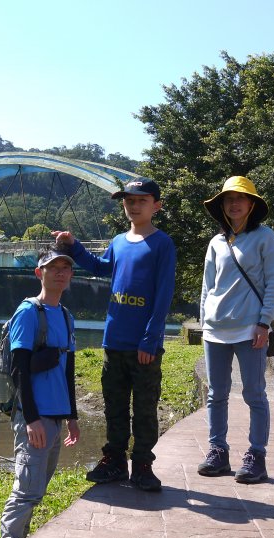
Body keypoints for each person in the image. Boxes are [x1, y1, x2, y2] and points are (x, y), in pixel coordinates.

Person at [53, 176, 176, 492]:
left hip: (143, 345)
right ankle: (115, 462)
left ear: (156, 206)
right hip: (114, 340)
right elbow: (99, 266)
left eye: (141, 201)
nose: (134, 206)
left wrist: (150, 338)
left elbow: (163, 295)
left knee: (145, 408)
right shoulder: (119, 242)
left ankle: (143, 465)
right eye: (129, 201)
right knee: (114, 405)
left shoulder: (162, 244)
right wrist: (73, 245)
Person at [197, 176, 274, 484]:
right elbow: (208, 286)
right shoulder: (216, 242)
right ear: (222, 206)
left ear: (251, 205)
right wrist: (203, 320)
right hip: (215, 330)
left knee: (254, 394)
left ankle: (256, 455)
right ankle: (217, 451)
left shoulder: (265, 237)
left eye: (240, 198)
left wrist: (264, 322)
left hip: (250, 329)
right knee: (216, 393)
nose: (233, 203)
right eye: (228, 199)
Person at [0, 245, 80, 538]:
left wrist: (72, 417)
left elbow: (68, 369)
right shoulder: (29, 312)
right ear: (39, 273)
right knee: (26, 492)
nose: (60, 272)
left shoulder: (67, 316)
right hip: (35, 417)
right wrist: (30, 419)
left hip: (56, 417)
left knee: (37, 490)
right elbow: (19, 368)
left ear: (71, 275)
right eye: (53, 267)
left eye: (65, 267)